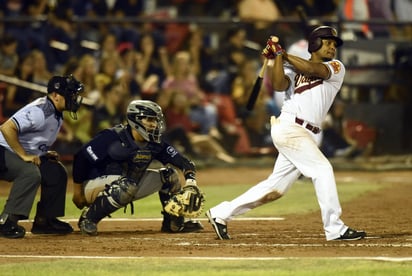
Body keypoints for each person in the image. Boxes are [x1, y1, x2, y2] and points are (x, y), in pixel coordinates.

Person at [206, 26, 367, 241]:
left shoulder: (336, 67)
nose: (331, 47)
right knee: (323, 169)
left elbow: (313, 70)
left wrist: (282, 53)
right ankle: (335, 228)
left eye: (333, 44)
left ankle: (220, 213)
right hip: (290, 128)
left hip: (305, 133)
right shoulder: (293, 66)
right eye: (327, 42)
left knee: (276, 188)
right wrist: (275, 59)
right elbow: (280, 84)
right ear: (314, 44)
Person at [71, 100, 204, 236]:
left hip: (128, 184)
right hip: (93, 185)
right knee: (128, 185)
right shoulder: (112, 136)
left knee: (170, 175)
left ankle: (173, 222)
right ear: (136, 119)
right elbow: (81, 157)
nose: (155, 124)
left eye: (156, 120)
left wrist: (191, 182)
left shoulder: (154, 142)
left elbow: (183, 162)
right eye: (150, 119)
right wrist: (77, 193)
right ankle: (89, 219)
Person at [0, 74, 84, 238]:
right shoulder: (40, 111)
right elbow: (6, 128)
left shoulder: (56, 111)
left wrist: (42, 153)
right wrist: (24, 156)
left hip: (13, 150)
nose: (74, 98)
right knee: (29, 173)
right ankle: (7, 221)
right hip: (2, 149)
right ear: (55, 95)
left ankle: (45, 221)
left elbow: (30, 139)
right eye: (70, 94)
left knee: (55, 171)